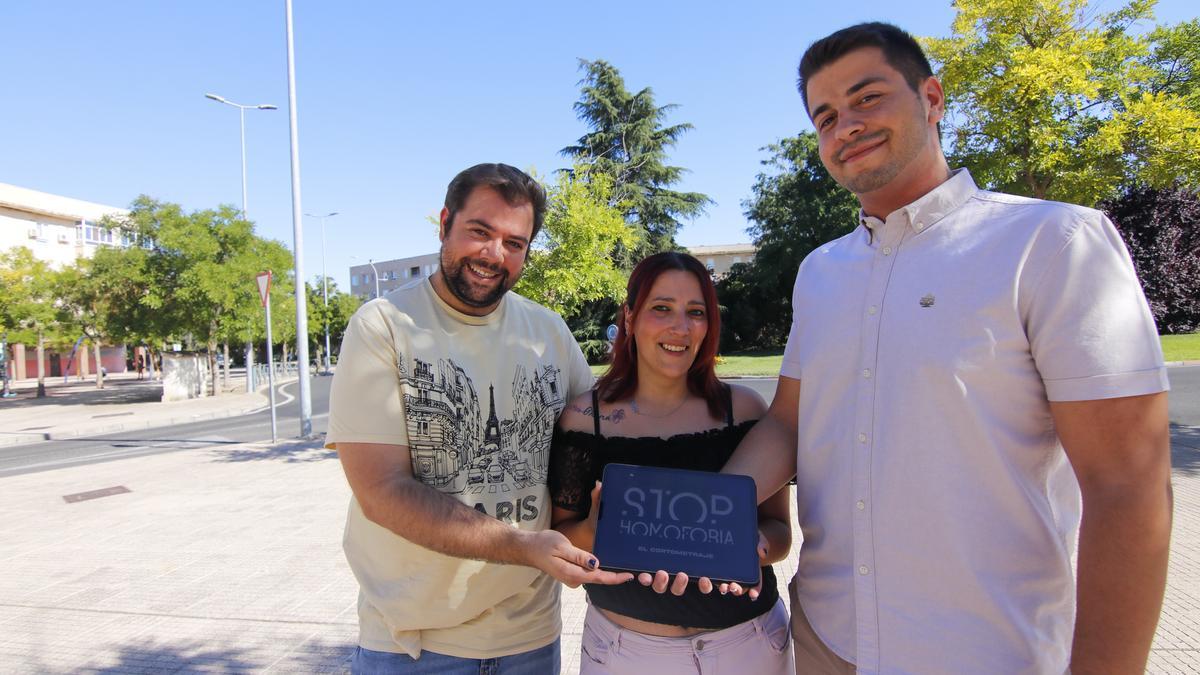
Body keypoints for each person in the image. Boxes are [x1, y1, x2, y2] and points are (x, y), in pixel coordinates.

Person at [721, 22, 1173, 674]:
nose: (845, 125)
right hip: (827, 641)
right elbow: (790, 421)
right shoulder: (820, 271)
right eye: (825, 116)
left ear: (931, 98)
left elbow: (1127, 485)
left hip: (988, 652)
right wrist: (695, 518)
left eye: (867, 97)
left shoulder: (1053, 243)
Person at [326, 163, 632, 674]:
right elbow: (380, 492)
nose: (495, 255)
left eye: (516, 242)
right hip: (413, 646)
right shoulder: (383, 326)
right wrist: (521, 545)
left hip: (530, 640)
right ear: (445, 222)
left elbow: (610, 437)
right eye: (480, 232)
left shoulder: (549, 333)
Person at [550, 251, 794, 674]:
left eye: (695, 312)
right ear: (629, 317)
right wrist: (594, 531)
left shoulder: (746, 411)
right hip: (623, 654)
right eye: (661, 308)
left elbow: (781, 534)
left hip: (748, 647)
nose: (680, 327)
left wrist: (749, 546)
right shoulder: (585, 420)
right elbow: (562, 535)